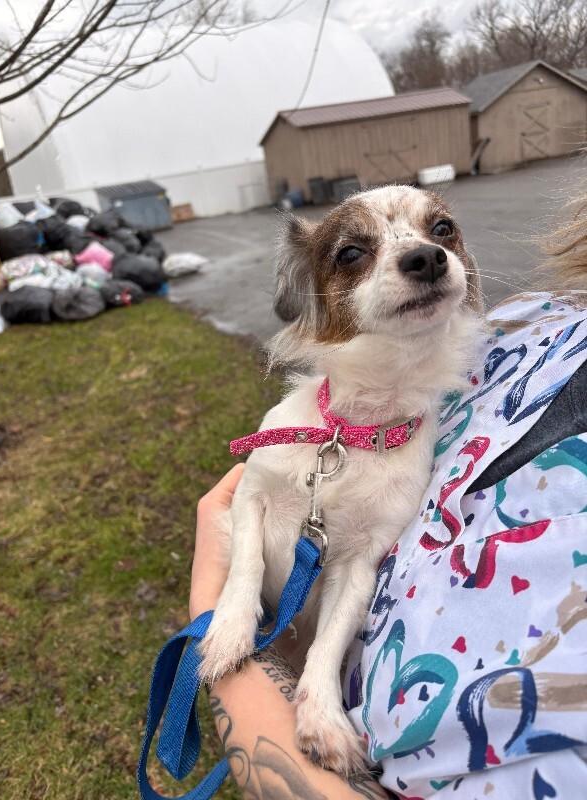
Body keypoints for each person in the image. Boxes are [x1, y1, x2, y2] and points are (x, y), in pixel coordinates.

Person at [188, 195, 587, 799]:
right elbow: (250, 496)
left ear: (465, 265)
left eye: (441, 233)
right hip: (265, 606)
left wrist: (314, 679)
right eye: (354, 253)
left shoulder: (414, 458)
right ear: (315, 292)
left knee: (359, 560)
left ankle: (319, 684)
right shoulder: (289, 421)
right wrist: (235, 597)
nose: (421, 255)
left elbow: (359, 565)